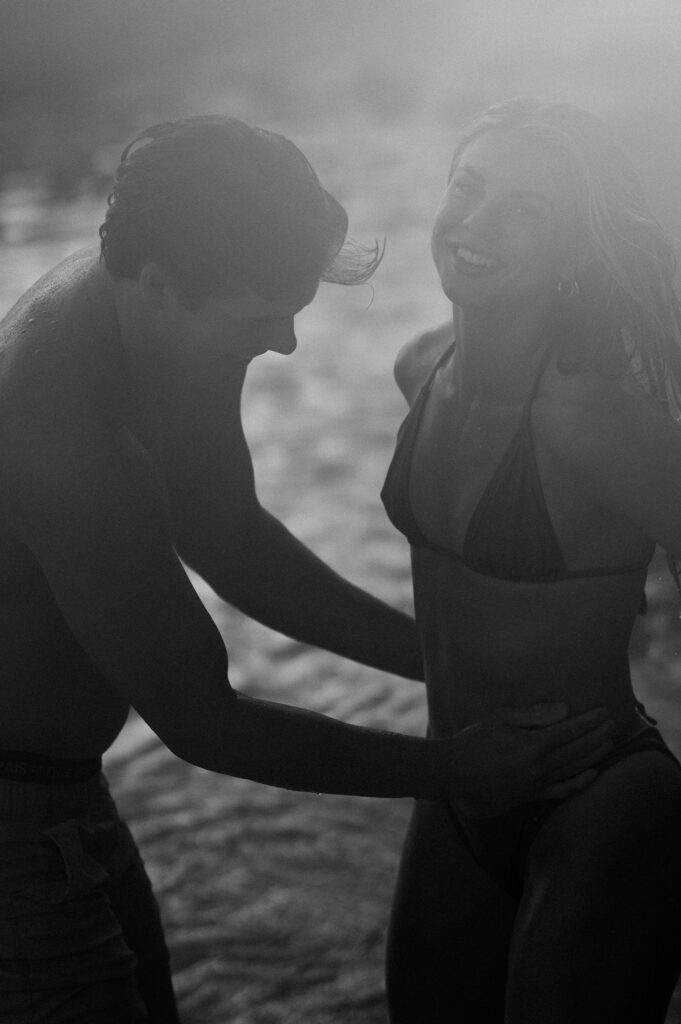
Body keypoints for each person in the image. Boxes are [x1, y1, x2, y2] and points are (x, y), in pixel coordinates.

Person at [0, 115, 613, 1023]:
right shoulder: (64, 440)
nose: (285, 342)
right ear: (161, 285)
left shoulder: (164, 312)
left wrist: (442, 659)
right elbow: (205, 723)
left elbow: (228, 534)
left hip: (63, 791)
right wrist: (454, 769)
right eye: (261, 318)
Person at [382, 97, 681, 1024]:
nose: (474, 225)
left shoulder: (600, 421)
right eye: (467, 189)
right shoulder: (420, 366)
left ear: (575, 253)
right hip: (459, 787)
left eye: (523, 209)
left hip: (600, 803)